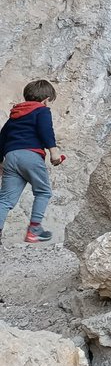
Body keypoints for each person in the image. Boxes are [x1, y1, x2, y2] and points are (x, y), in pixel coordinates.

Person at [0, 79, 65, 244]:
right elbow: (46, 131)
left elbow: (2, 137)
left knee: (5, 199)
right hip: (30, 155)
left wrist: (0, 162)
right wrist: (54, 152)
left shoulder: (14, 115)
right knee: (43, 192)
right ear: (45, 100)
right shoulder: (42, 111)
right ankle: (34, 230)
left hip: (11, 157)